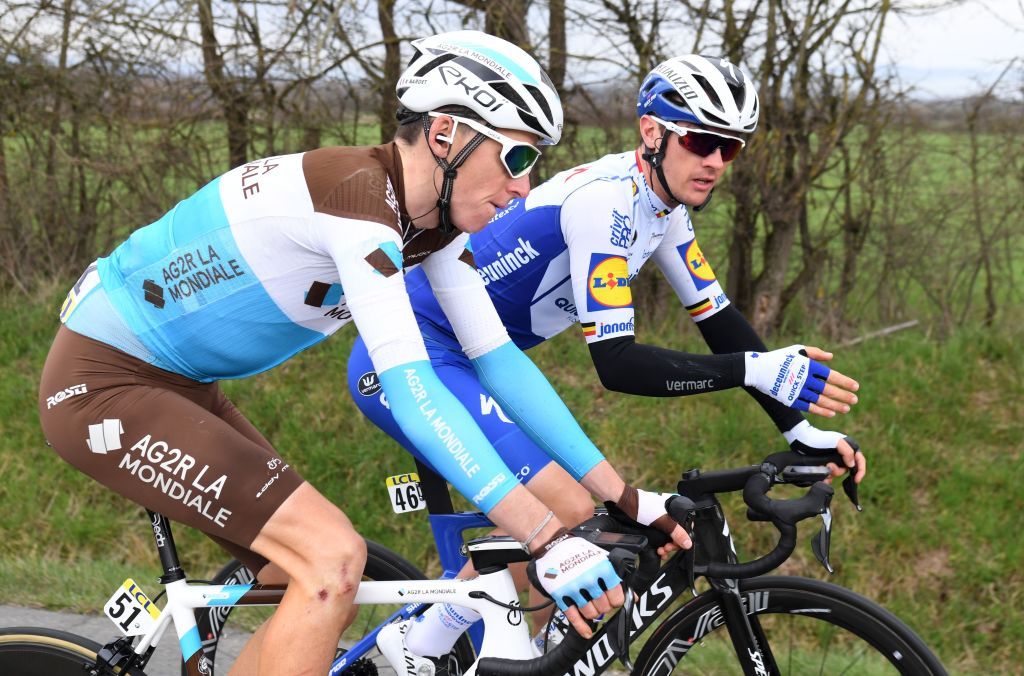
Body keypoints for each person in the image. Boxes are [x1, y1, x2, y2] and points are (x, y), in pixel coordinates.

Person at [39, 30, 689, 676]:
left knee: (319, 585)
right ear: (445, 135)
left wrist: (623, 495)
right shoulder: (358, 199)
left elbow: (499, 362)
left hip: (182, 383)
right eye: (517, 159)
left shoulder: (429, 227)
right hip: (104, 385)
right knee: (331, 562)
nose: (524, 188)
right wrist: (543, 536)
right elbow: (408, 385)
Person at [349, 54, 864, 663]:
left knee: (566, 557)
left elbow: (722, 327)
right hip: (412, 357)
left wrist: (800, 429)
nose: (716, 162)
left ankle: (491, 649)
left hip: (482, 364)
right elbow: (617, 365)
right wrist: (758, 369)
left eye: (732, 148)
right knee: (566, 511)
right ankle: (414, 641)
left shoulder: (661, 211)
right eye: (702, 140)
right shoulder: (605, 204)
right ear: (654, 133)